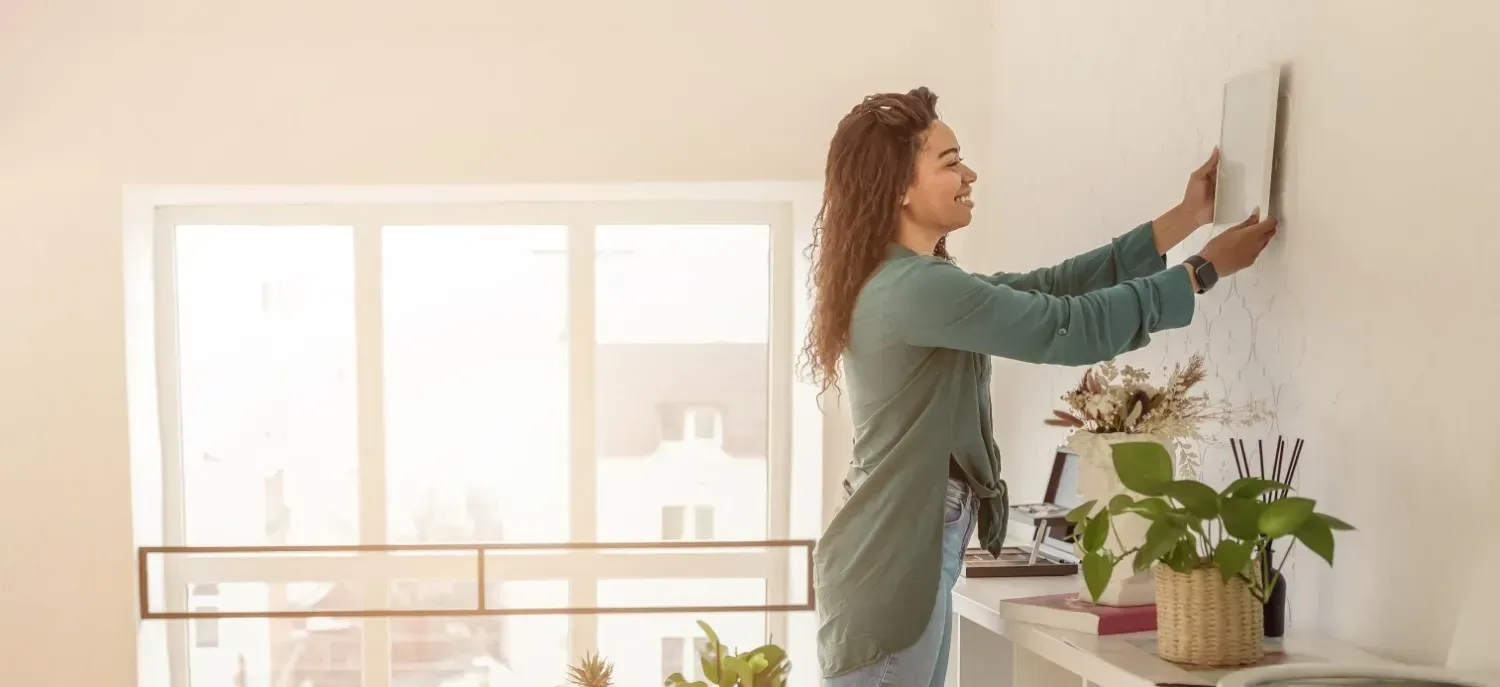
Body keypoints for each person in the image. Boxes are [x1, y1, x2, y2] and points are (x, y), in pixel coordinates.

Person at [801, 87, 1277, 687]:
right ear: (899, 185)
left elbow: (1048, 289)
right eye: (950, 162)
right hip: (893, 562)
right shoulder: (913, 289)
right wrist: (1200, 272)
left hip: (897, 553)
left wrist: (1183, 219)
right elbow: (1063, 327)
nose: (970, 174)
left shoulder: (916, 281)